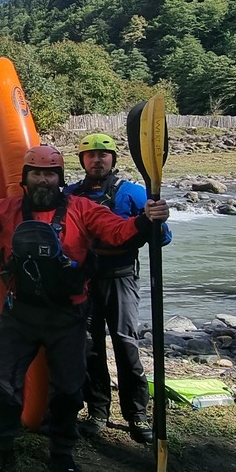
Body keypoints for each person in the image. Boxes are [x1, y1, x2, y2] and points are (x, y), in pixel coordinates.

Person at [0, 145, 168, 472]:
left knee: (70, 389)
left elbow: (120, 232)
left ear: (60, 179)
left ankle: (62, 452)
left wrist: (147, 218)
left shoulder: (83, 208)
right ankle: (1, 448)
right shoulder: (6, 208)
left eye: (50, 174)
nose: (44, 179)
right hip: (20, 314)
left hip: (68, 315)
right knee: (0, 382)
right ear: (25, 179)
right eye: (37, 173)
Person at [67, 132, 171, 445]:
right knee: (90, 346)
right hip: (85, 278)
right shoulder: (71, 195)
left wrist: (156, 218)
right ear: (82, 160)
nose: (97, 160)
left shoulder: (135, 194)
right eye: (90, 155)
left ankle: (136, 413)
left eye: (103, 155)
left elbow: (162, 237)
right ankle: (98, 411)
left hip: (121, 275)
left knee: (125, 343)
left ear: (113, 159)